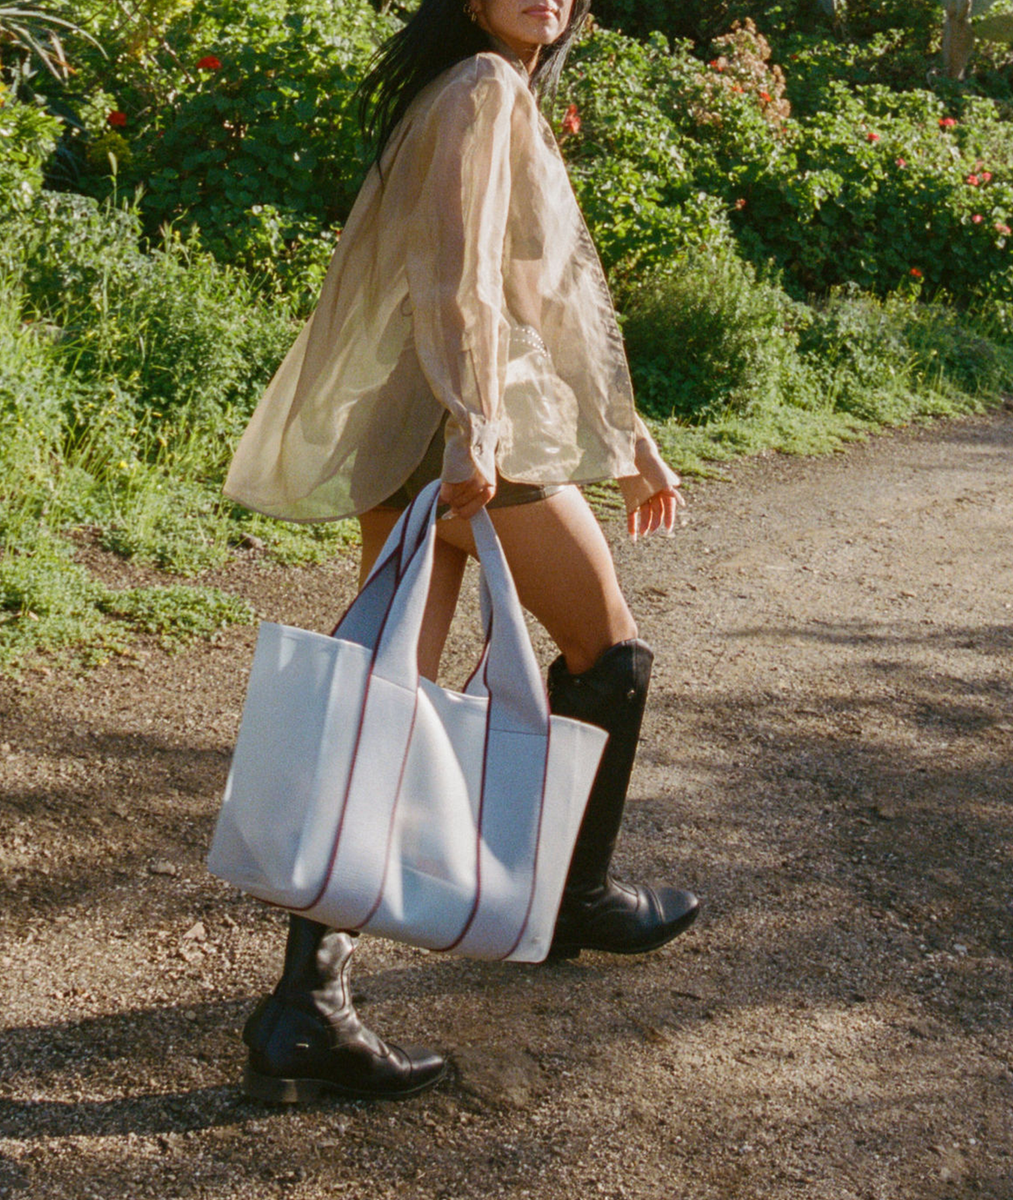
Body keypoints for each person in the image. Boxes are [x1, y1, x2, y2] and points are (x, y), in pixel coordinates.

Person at [222, 0, 700, 1104]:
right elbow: (456, 279)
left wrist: (633, 442)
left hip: (436, 427)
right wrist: (477, 425)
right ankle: (569, 897)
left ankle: (308, 1006)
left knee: (393, 696)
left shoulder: (490, 92)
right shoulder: (484, 88)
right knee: (606, 651)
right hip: (460, 430)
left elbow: (542, 297)